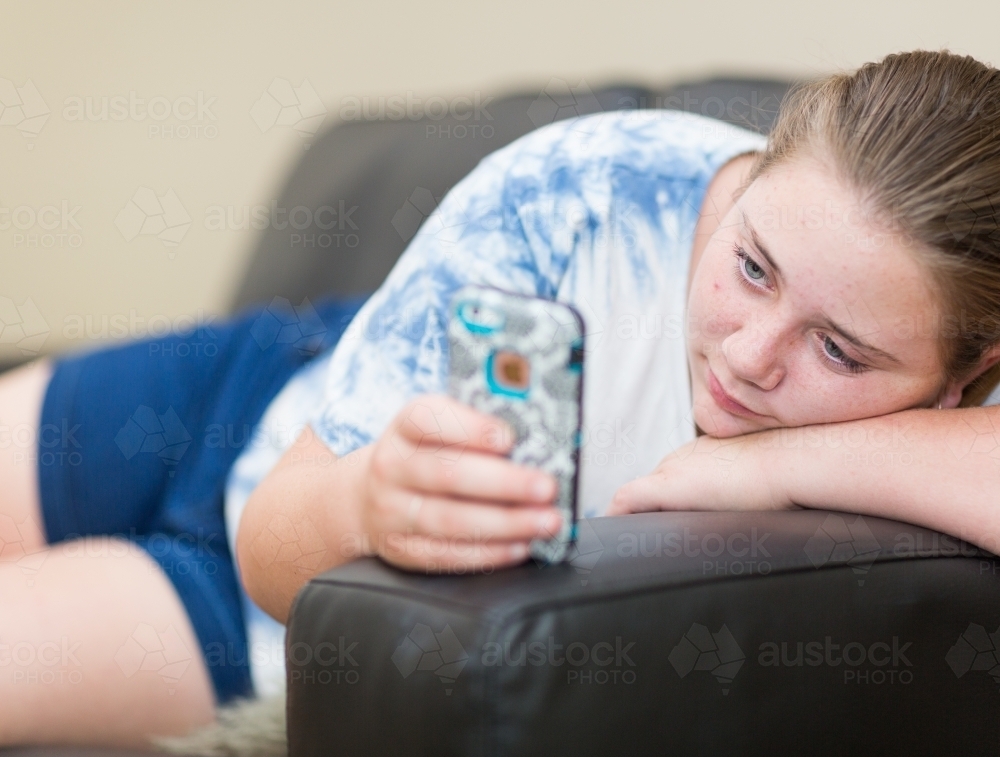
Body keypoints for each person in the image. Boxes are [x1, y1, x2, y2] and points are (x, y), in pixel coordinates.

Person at [2, 49, 1000, 748]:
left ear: (964, 375)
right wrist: (363, 502)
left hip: (268, 613)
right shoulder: (586, 192)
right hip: (262, 395)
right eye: (749, 265)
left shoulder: (951, 342)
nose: (749, 356)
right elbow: (284, 513)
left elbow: (269, 572)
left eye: (835, 348)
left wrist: (774, 461)